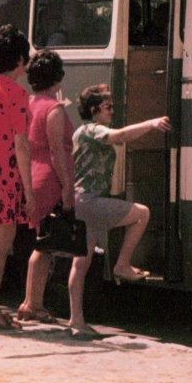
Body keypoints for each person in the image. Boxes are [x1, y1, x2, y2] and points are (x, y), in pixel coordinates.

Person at [66, 85, 170, 339]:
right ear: (94, 110)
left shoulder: (83, 132)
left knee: (81, 263)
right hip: (90, 201)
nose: (112, 111)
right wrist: (152, 123)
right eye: (108, 107)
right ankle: (122, 265)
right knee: (142, 213)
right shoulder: (92, 129)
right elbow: (120, 135)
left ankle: (76, 320)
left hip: (82, 202)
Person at [0, 25, 38, 332]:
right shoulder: (17, 93)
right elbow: (21, 144)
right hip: (5, 170)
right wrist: (29, 191)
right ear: (20, 60)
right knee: (2, 243)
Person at [17, 50, 76, 324]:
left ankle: (32, 302)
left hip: (33, 175)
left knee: (42, 243)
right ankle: (32, 303)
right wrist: (66, 188)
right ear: (58, 78)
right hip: (50, 178)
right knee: (44, 246)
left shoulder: (29, 104)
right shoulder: (54, 109)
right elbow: (57, 153)